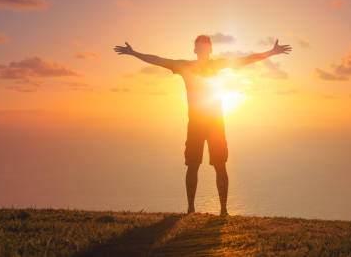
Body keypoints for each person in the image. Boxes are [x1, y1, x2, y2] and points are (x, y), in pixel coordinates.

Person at [114, 35, 291, 216]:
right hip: (196, 124)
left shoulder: (218, 65)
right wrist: (133, 53)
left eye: (205, 48)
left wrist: (271, 52)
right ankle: (191, 209)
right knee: (192, 165)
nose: (203, 51)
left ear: (210, 50)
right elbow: (158, 60)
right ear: (195, 50)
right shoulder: (184, 66)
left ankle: (223, 211)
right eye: (200, 48)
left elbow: (245, 60)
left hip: (216, 124)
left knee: (220, 165)